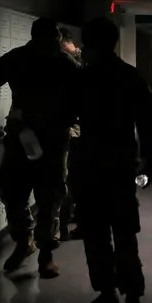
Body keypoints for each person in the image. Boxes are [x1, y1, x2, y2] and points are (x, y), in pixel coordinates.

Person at [0, 17, 80, 278]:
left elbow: (85, 95)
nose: (53, 44)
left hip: (54, 137)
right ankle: (24, 241)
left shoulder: (63, 62)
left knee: (50, 196)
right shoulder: (19, 59)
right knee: (12, 191)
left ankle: (46, 253)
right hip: (22, 136)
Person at [74, 17, 152, 303]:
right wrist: (150, 162)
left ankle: (109, 293)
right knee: (124, 236)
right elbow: (146, 126)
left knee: (97, 237)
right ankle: (131, 299)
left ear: (93, 45)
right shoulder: (130, 77)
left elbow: (66, 118)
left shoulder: (84, 79)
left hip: (93, 168)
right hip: (121, 167)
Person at [58, 27, 84, 241]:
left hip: (81, 130)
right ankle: (67, 224)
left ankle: (77, 222)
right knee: (69, 178)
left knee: (77, 178)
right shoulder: (60, 63)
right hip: (68, 129)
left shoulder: (81, 62)